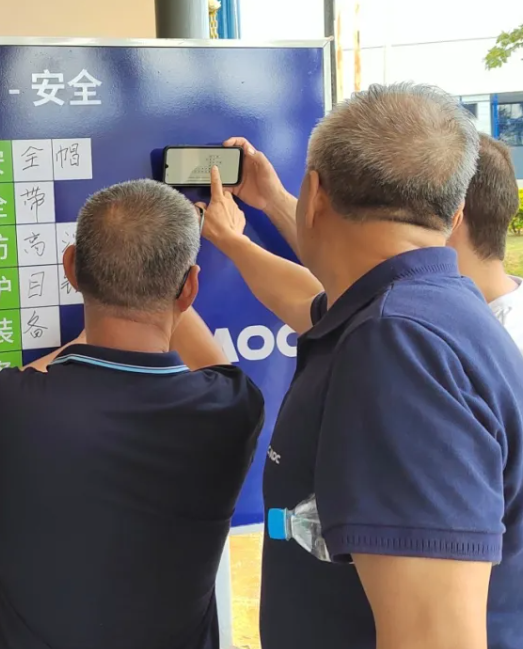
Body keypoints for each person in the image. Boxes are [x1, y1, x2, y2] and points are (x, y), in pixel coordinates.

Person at [199, 83, 523, 649]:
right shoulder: (420, 308)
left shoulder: (399, 350)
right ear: (453, 214)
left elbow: (434, 636)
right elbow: (307, 302)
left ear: (314, 193)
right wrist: (240, 236)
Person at [0, 179, 266, 649]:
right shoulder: (231, 408)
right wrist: (165, 278)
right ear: (190, 287)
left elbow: (30, 378)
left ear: (71, 267)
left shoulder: (7, 405)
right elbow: (217, 367)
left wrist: (103, 312)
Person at [202, 132, 523, 350]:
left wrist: (232, 241)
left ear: (452, 217)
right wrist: (272, 200)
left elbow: (315, 305)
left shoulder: (416, 331)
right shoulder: (468, 313)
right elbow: (342, 282)